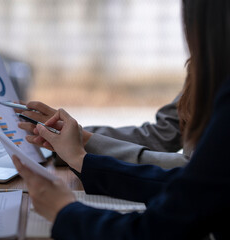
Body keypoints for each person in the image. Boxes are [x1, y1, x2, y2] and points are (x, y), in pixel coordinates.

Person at [12, 0, 230, 239]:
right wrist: (83, 150)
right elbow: (184, 173)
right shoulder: (209, 68)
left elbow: (160, 225)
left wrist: (65, 211)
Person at [18, 95, 190, 169]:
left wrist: (84, 142)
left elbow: (197, 170)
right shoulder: (203, 61)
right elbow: (164, 134)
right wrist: (77, 137)